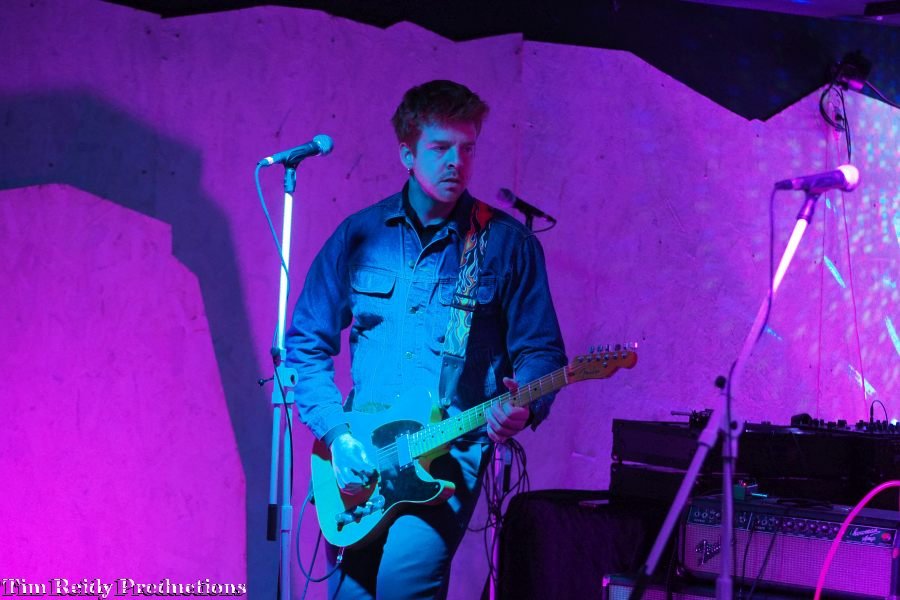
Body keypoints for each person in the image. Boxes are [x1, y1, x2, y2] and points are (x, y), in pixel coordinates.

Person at [285, 79, 566, 599]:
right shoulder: (358, 235)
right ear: (407, 155)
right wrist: (337, 435)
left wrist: (524, 404)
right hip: (360, 455)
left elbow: (542, 350)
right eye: (440, 148)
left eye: (467, 148)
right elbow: (305, 343)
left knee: (403, 585)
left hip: (449, 454)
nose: (456, 162)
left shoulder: (506, 245)